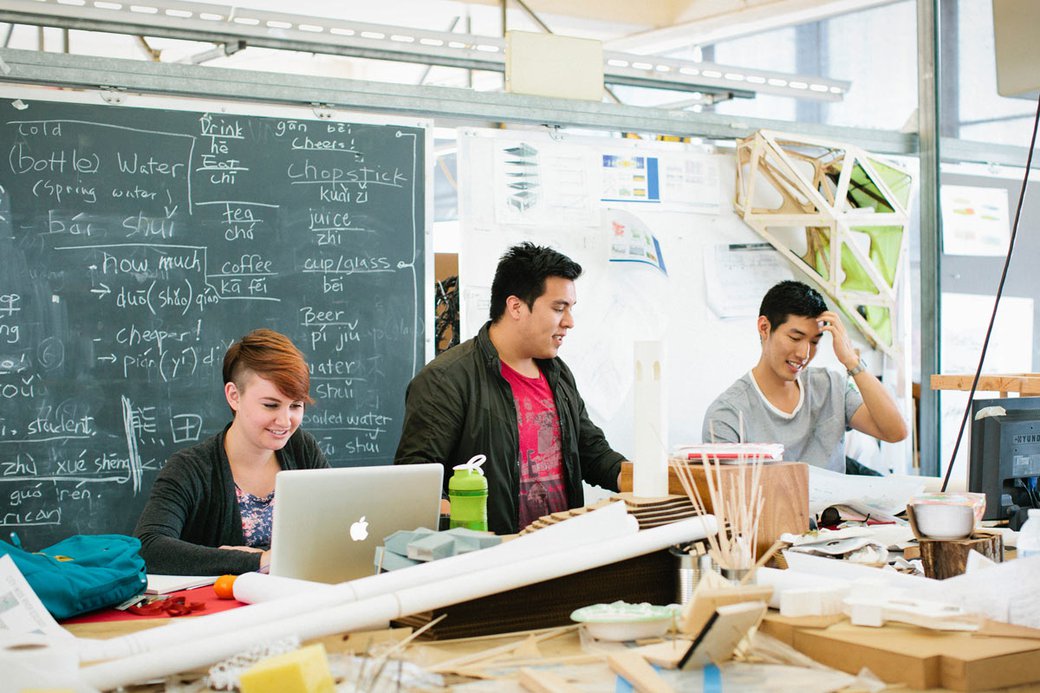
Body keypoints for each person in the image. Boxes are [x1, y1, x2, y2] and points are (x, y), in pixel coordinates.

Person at [394, 242, 626, 535]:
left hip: (562, 555)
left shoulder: (558, 374)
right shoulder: (447, 380)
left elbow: (592, 451)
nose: (569, 322)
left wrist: (646, 477)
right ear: (516, 306)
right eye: (558, 308)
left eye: (570, 309)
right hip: (492, 563)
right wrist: (467, 528)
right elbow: (416, 482)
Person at [135, 329, 329, 575]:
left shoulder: (302, 448)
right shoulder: (190, 468)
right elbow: (149, 548)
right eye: (271, 405)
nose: (285, 420)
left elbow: (339, 521)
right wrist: (259, 561)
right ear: (234, 396)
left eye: (295, 406)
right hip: (221, 608)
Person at [702, 280, 907, 473]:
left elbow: (895, 431)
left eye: (815, 342)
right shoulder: (727, 415)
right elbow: (728, 499)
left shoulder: (830, 386)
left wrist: (851, 361)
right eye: (795, 337)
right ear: (764, 328)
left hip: (832, 510)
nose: (804, 353)